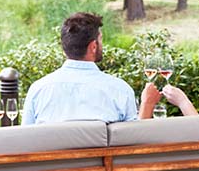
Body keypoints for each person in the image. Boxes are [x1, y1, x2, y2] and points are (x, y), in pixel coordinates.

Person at [22, 12, 160, 124]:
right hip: (103, 159)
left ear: (64, 48)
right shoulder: (120, 90)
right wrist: (147, 105)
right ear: (93, 46)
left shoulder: (38, 90)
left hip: (52, 159)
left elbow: (26, 142)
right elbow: (134, 144)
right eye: (101, 40)